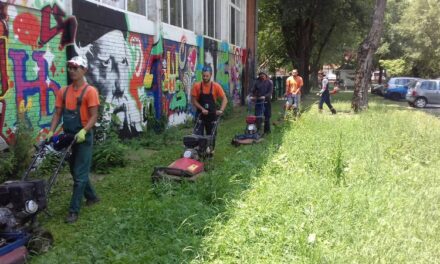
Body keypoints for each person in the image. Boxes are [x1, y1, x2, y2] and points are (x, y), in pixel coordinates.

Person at [47, 56, 100, 223]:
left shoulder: (90, 91)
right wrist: (51, 131)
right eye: (70, 67)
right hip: (69, 137)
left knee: (79, 174)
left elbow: (94, 116)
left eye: (76, 67)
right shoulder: (63, 92)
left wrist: (84, 130)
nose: (72, 70)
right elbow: (57, 114)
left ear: (84, 70)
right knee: (76, 172)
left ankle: (73, 211)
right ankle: (92, 197)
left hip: (84, 137)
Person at [191, 65, 228, 147]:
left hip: (211, 115)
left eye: (207, 76)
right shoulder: (197, 86)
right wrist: (201, 109)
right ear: (201, 74)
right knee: (197, 135)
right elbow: (193, 100)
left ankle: (210, 151)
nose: (205, 78)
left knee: (211, 135)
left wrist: (221, 110)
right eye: (203, 75)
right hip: (200, 114)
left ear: (211, 75)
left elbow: (225, 99)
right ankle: (198, 152)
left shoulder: (216, 86)